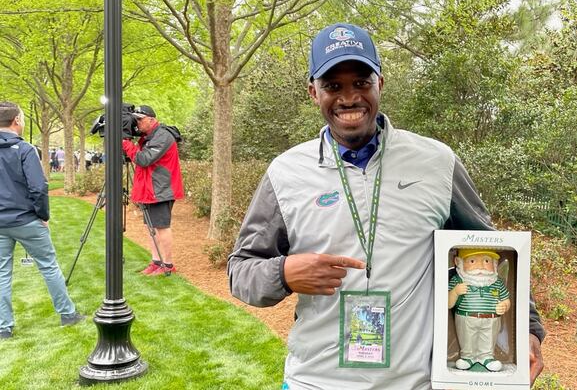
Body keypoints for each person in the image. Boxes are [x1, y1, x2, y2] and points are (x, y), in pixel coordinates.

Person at [228, 23, 545, 389]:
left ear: (381, 82)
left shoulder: (437, 162)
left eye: (361, 82)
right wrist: (283, 273)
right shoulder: (285, 172)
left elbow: (493, 247)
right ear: (313, 92)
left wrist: (529, 331)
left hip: (415, 382)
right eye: (333, 86)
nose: (349, 97)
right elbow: (241, 271)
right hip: (316, 380)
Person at [0, 102, 85, 339]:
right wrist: (43, 215)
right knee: (48, 266)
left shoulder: (24, 148)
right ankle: (67, 314)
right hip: (26, 220)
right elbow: (38, 187)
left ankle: (3, 327)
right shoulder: (25, 149)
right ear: (16, 120)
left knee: (1, 273)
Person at [122, 105, 184, 276]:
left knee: (161, 227)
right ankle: (156, 262)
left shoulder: (163, 136)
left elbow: (144, 159)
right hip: (150, 189)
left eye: (140, 119)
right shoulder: (148, 136)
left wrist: (125, 143)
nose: (137, 123)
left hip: (161, 189)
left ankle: (168, 265)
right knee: (151, 227)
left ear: (151, 119)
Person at [448, 249, 511, 372]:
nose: (481, 267)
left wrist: (504, 305)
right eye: (472, 261)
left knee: (489, 337)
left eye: (486, 261)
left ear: (494, 264)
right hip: (466, 317)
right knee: (467, 337)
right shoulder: (457, 281)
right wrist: (455, 292)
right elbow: (448, 304)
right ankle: (467, 357)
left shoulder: (497, 283)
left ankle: (486, 357)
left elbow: (506, 300)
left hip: (491, 319)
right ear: (458, 262)